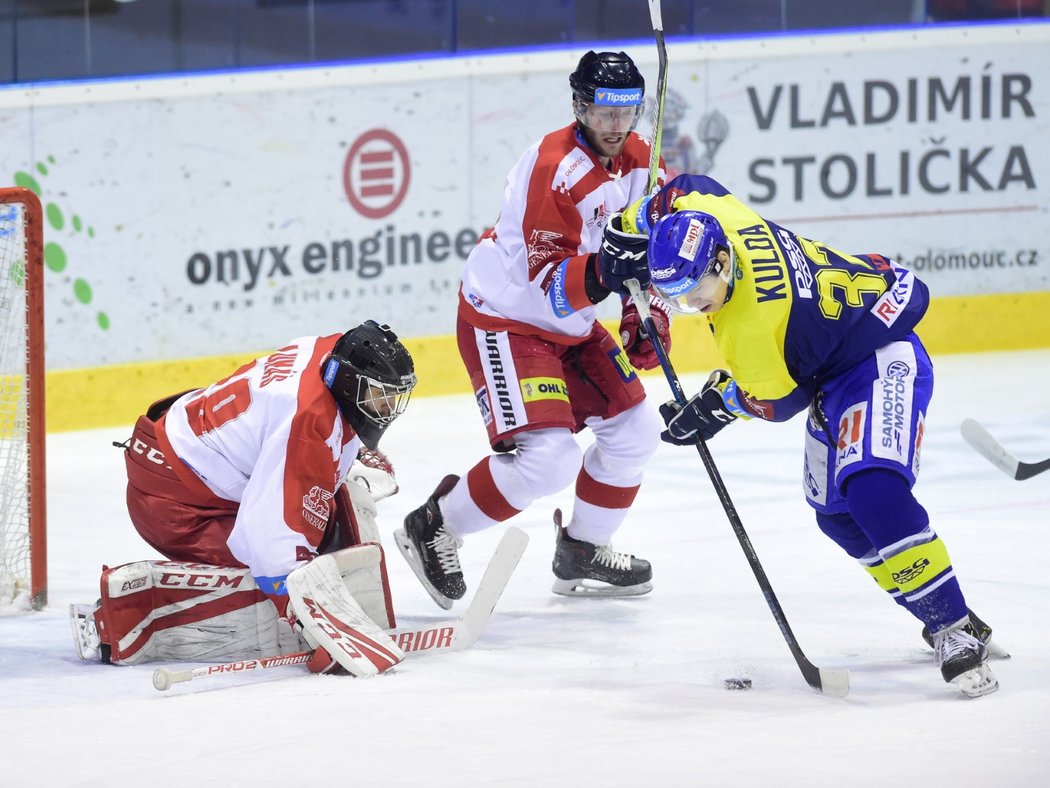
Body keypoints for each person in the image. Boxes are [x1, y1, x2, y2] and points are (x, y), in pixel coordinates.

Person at [614, 172, 1000, 697]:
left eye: (694, 291)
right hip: (832, 356)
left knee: (873, 489)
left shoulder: (749, 327)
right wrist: (630, 225)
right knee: (837, 515)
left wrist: (717, 404)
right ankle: (949, 612)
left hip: (876, 356)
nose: (690, 307)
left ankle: (951, 627)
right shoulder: (724, 220)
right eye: (674, 297)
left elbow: (779, 401)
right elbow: (686, 184)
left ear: (722, 263)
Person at [394, 50, 668, 608]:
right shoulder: (554, 169)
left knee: (636, 431)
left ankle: (583, 550)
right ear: (579, 107)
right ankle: (433, 524)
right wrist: (614, 275)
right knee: (549, 459)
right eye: (603, 112)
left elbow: (654, 244)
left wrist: (647, 310)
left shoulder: (644, 158)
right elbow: (551, 283)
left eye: (627, 112)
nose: (616, 127)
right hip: (509, 320)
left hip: (572, 322)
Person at [72, 321, 417, 676]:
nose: (388, 406)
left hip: (184, 452)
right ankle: (126, 612)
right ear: (348, 381)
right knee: (268, 585)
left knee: (327, 517)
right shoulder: (306, 424)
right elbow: (270, 548)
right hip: (174, 504)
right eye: (378, 395)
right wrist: (313, 623)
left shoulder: (331, 352)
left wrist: (346, 454)